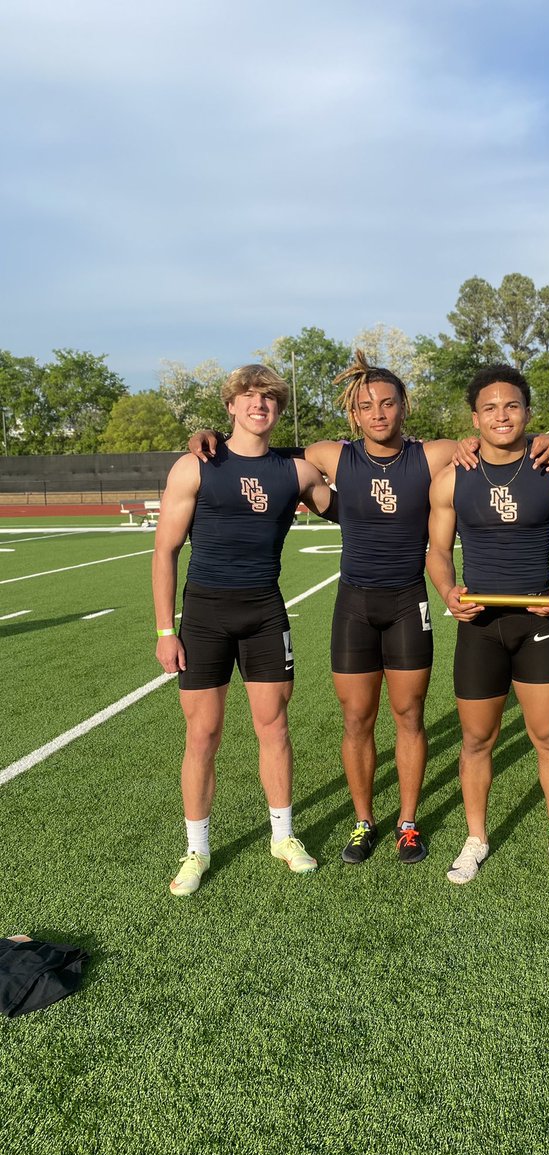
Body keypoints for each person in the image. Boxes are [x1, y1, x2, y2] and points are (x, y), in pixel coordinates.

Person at [189, 352, 549, 868]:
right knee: (356, 718)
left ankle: (407, 823)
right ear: (354, 414)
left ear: (403, 407)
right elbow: (257, 450)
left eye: (388, 403)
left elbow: (505, 444)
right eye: (367, 406)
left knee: (409, 716)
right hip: (354, 606)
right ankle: (364, 820)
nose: (379, 413)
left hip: (409, 602)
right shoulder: (331, 456)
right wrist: (207, 435)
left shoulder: (434, 455)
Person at [153, 365, 336, 897]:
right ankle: (197, 848)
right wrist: (166, 630)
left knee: (273, 726)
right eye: (249, 397)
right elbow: (164, 550)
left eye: (270, 398)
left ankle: (283, 836)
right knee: (202, 734)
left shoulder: (297, 472)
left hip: (265, 614)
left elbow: (351, 506)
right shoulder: (196, 465)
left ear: (278, 410)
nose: (260, 405)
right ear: (230, 406)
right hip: (205, 616)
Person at [426, 364, 549, 888]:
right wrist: (448, 592)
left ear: (527, 412)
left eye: (512, 406)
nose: (502, 416)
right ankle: (475, 838)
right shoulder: (452, 477)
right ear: (474, 418)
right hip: (480, 626)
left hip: (535, 623)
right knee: (477, 739)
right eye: (491, 408)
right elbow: (436, 551)